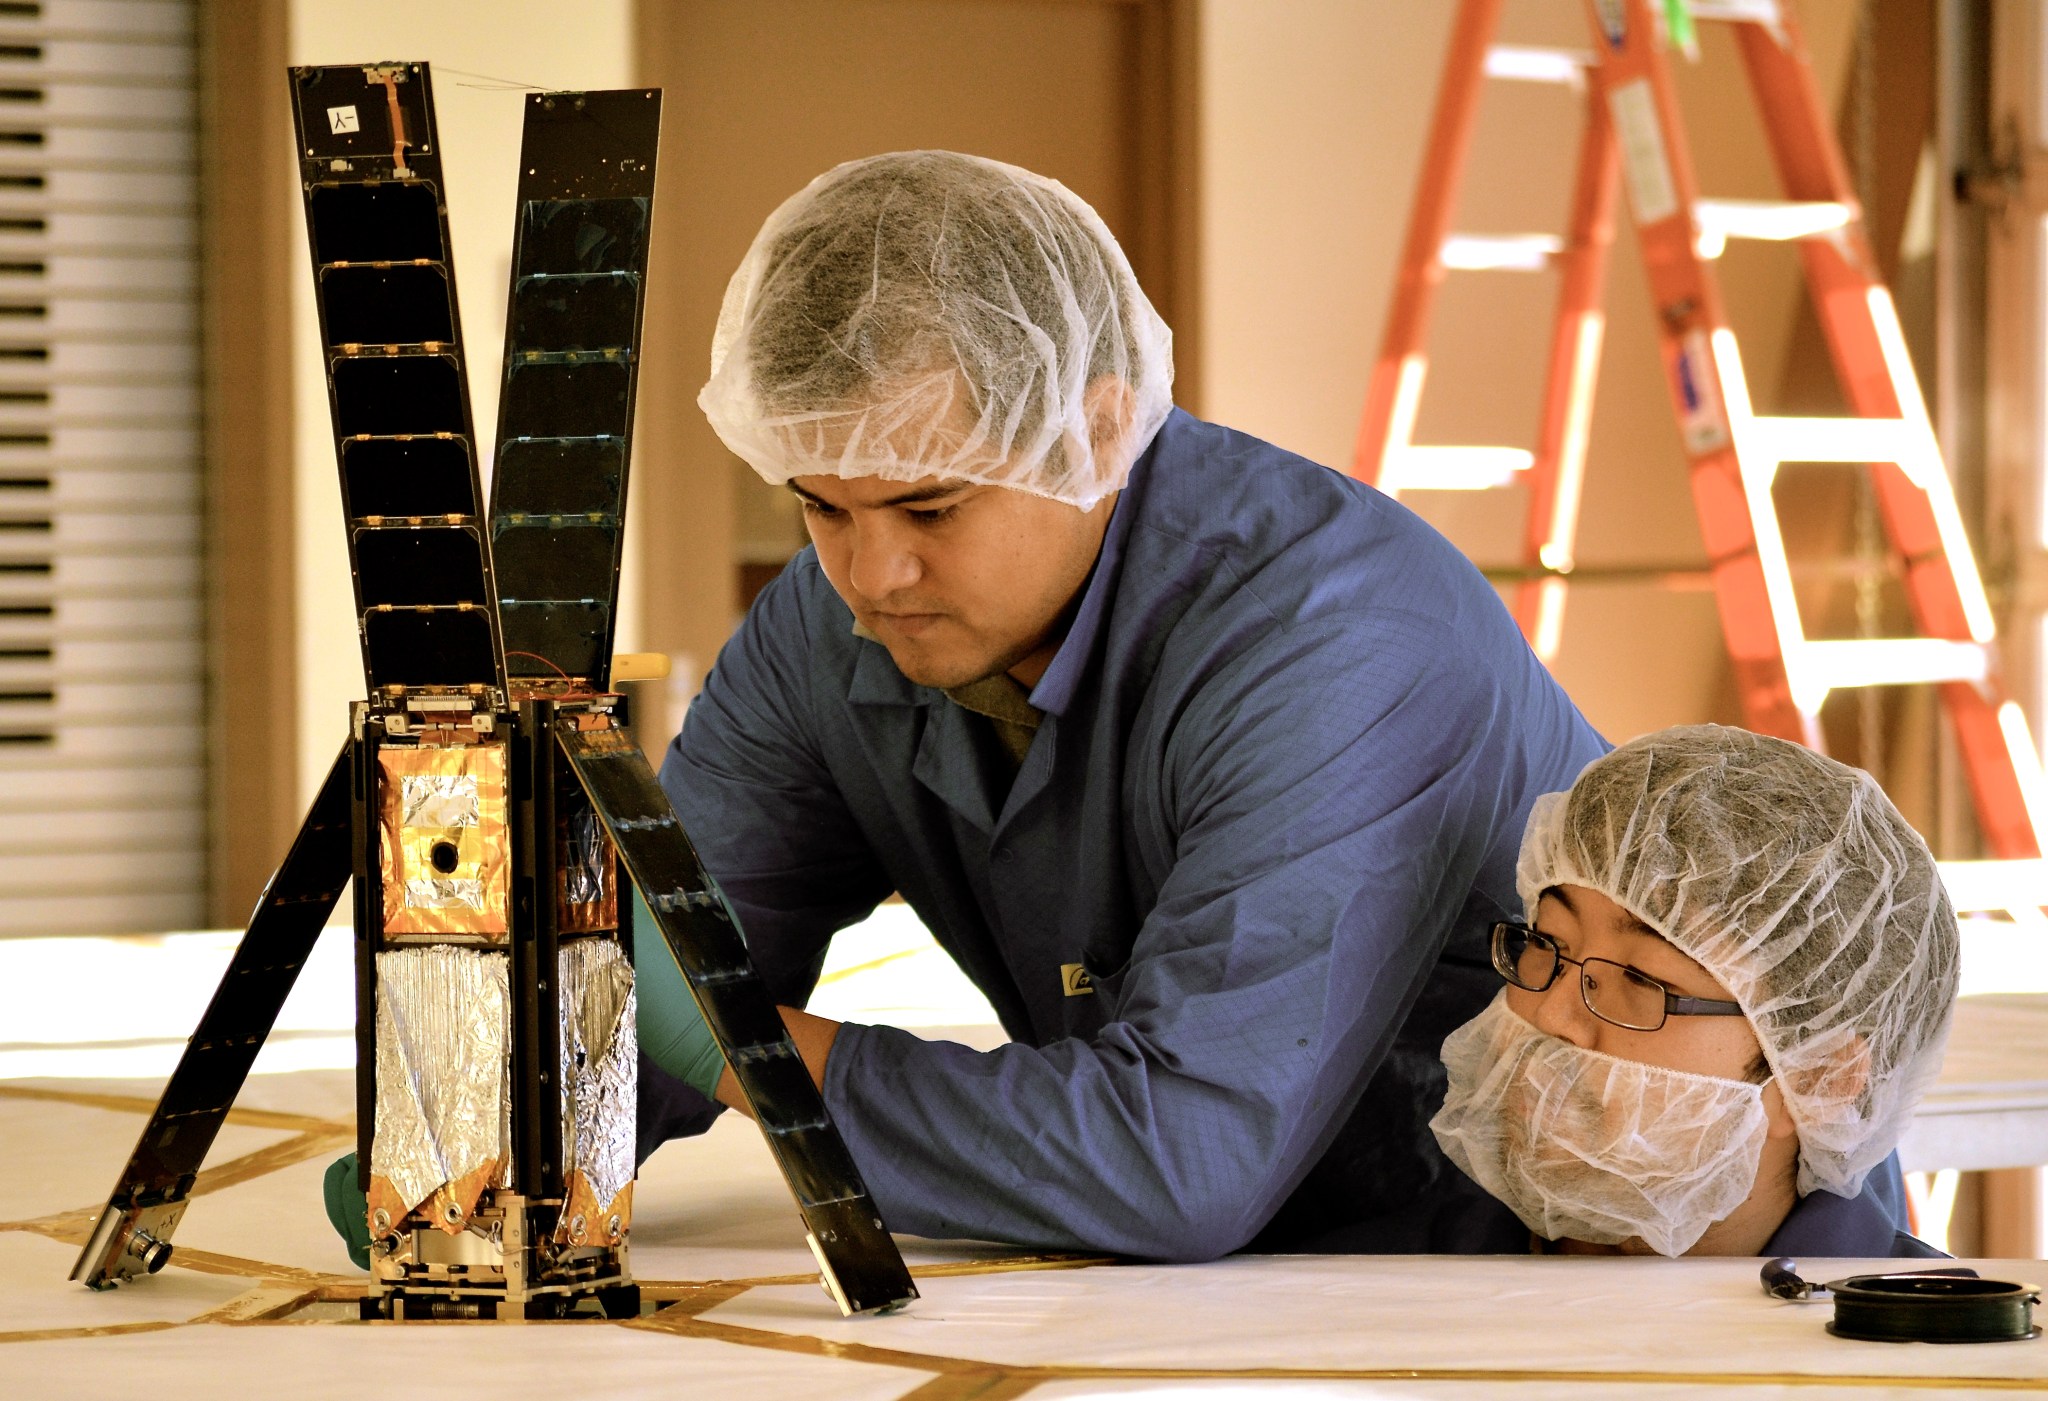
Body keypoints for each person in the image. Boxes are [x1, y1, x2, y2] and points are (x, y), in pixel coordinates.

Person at [625, 147, 1611, 1260]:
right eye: (822, 507)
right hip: (1202, 1293)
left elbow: (1178, 1156)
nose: (872, 575)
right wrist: (482, 1149)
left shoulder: (1337, 632)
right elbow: (644, 977)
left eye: (931, 508)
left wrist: (740, 1048)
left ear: (1095, 430)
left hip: (1540, 1273)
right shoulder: (826, 624)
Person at [1424, 725, 1958, 1258]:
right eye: (1547, 943)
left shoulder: (1942, 1339)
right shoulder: (1379, 1289)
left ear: (1820, 1081)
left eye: (1639, 980)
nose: (1553, 1012)